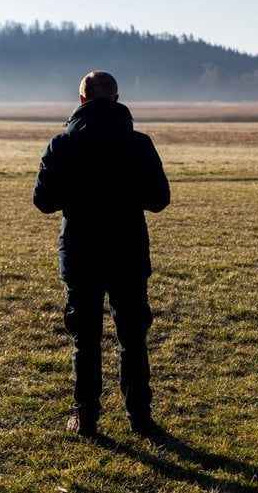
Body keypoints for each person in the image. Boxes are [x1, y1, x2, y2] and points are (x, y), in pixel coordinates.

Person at [33, 71, 170, 438]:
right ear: (117, 99)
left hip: (81, 254)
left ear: (81, 101)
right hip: (128, 252)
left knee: (85, 339)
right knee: (133, 340)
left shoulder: (61, 144)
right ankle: (140, 418)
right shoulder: (140, 144)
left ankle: (86, 418)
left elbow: (43, 202)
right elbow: (159, 201)